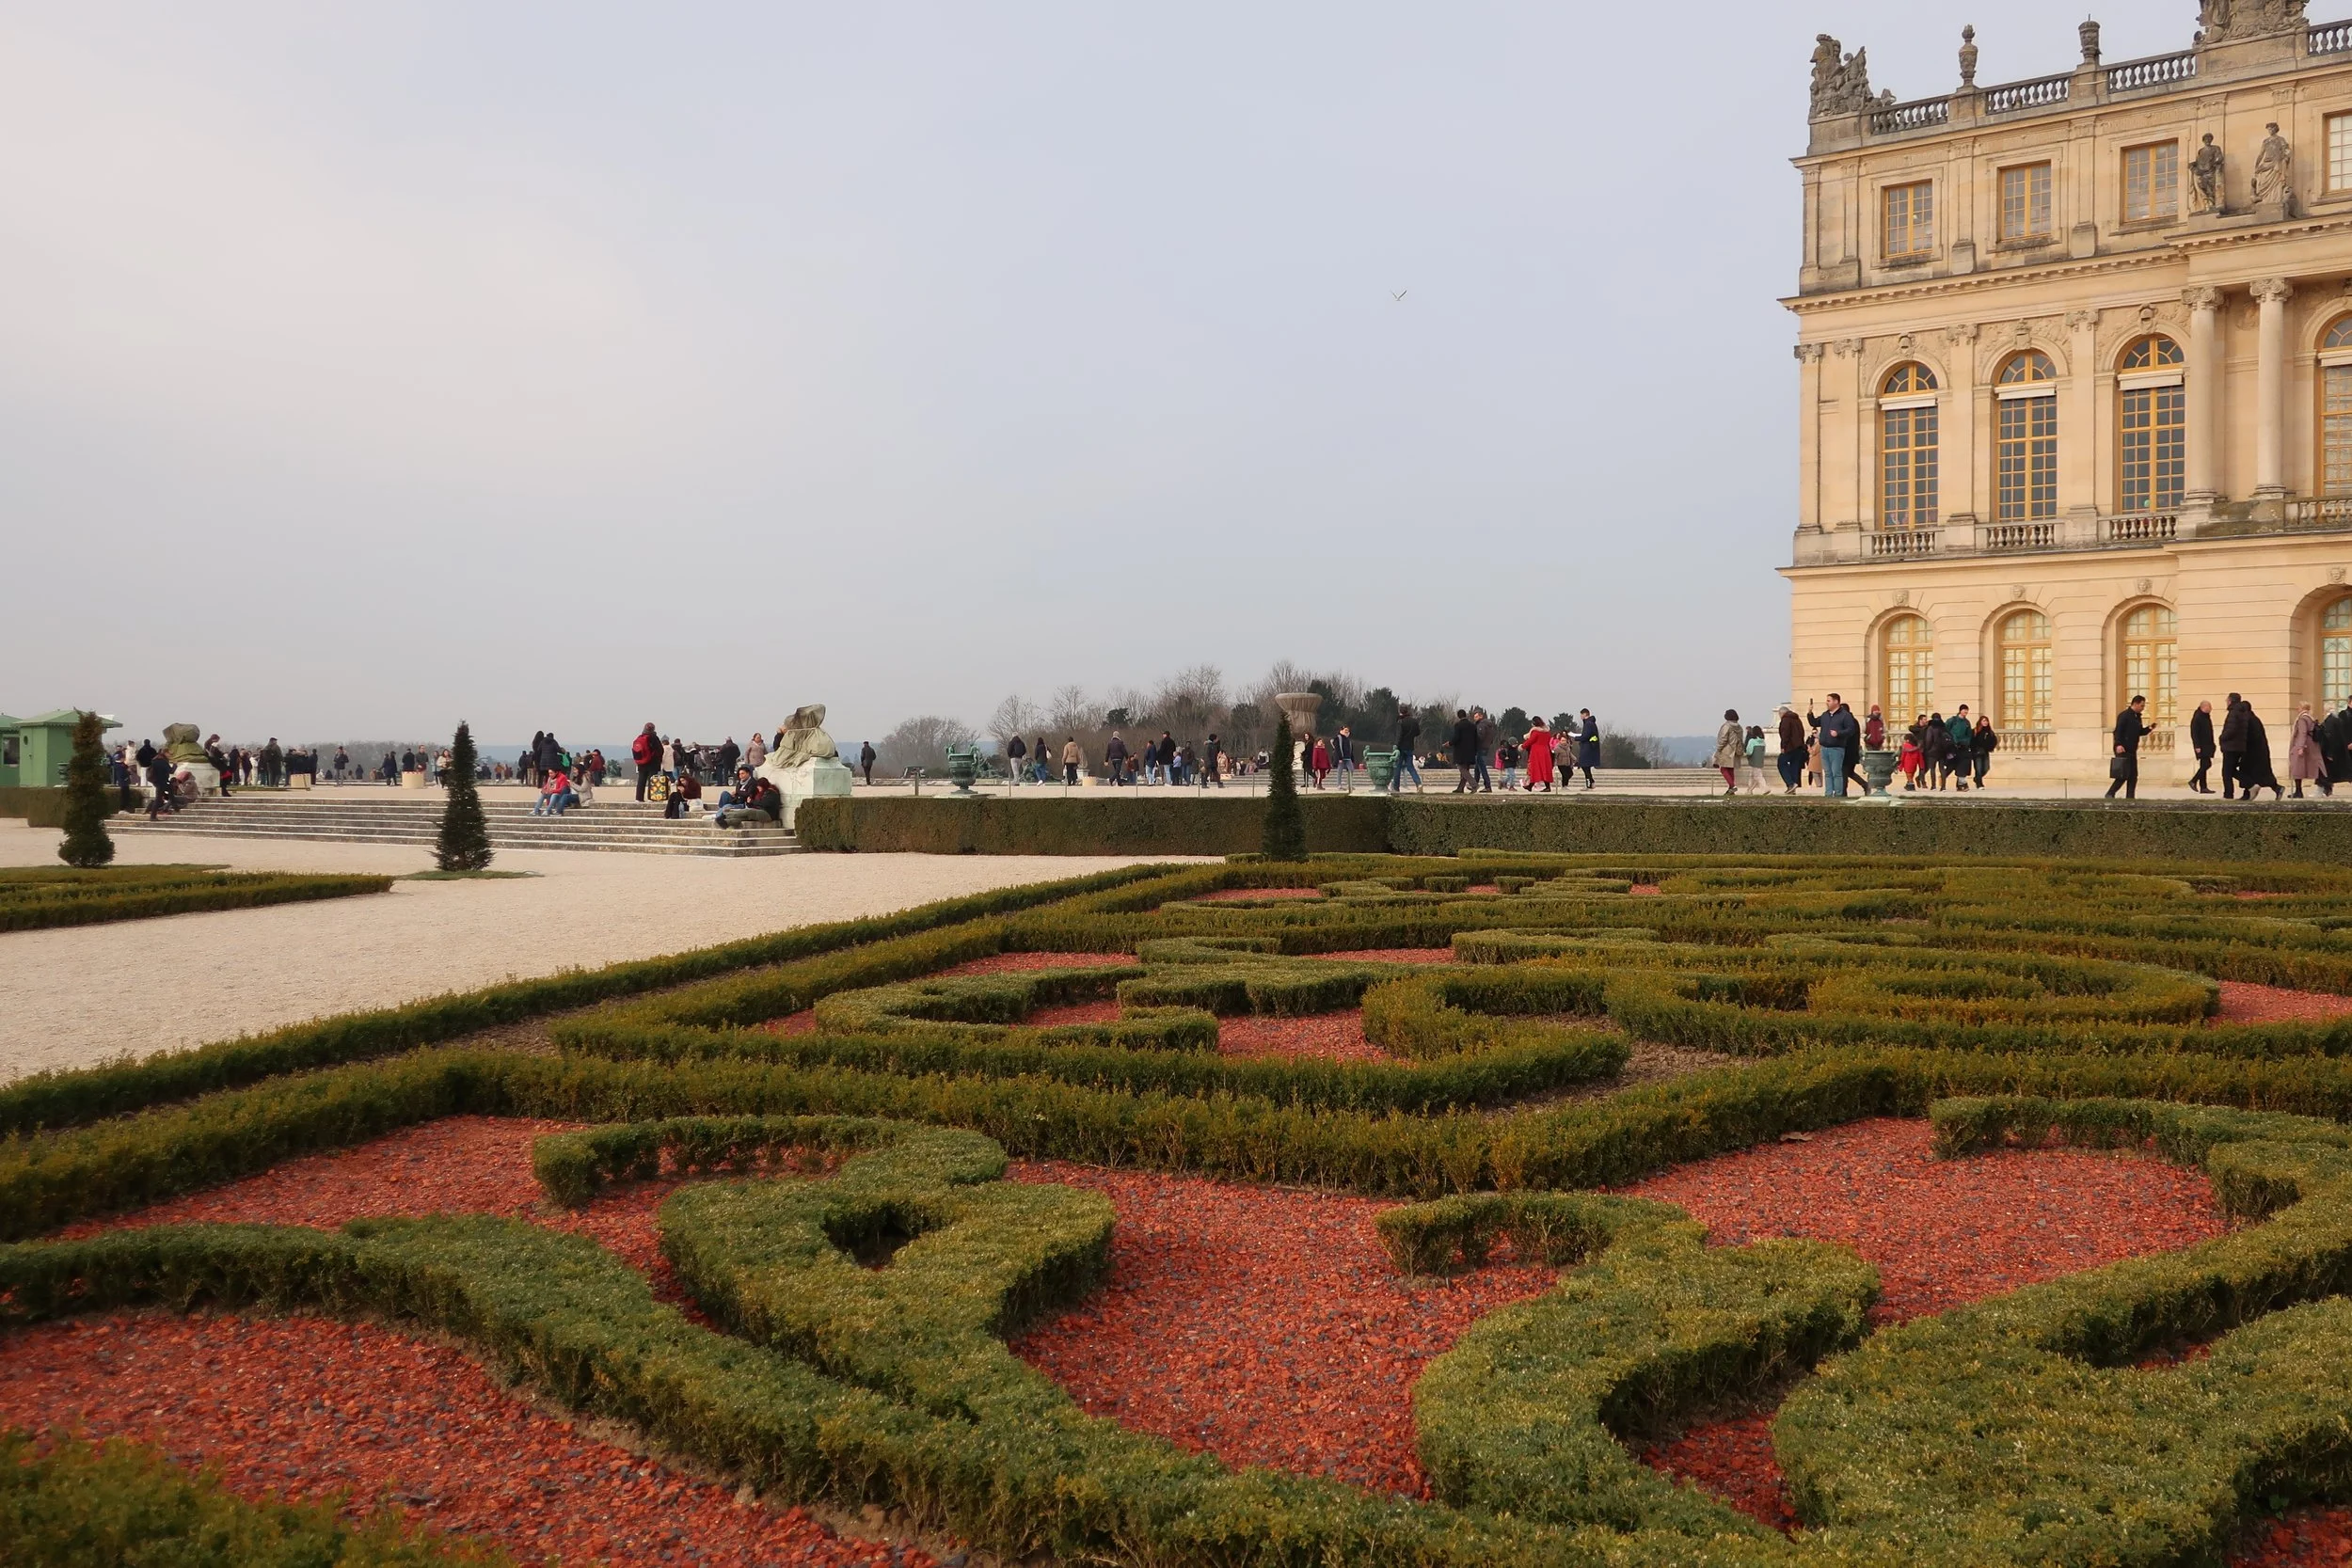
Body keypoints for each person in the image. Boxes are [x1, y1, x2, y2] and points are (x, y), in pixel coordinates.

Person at [1817, 693, 1859, 798]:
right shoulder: (1825, 715)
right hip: (1825, 748)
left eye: (1829, 700)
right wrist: (1809, 713)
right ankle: (1828, 793)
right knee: (1827, 773)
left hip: (1837, 748)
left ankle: (1839, 793)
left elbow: (1851, 730)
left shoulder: (1845, 715)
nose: (1827, 703)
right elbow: (1814, 722)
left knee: (1836, 772)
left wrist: (1838, 733)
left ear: (1836, 702)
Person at [2107, 695, 2149, 800]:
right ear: (2135, 704)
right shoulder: (2124, 716)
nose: (2143, 708)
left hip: (2132, 749)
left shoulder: (2137, 717)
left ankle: (2130, 797)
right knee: (2123, 773)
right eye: (2142, 705)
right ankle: (2110, 793)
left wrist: (2150, 728)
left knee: (2133, 775)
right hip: (2123, 748)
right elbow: (2118, 732)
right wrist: (2118, 744)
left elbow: (2140, 732)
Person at [2242, 700, 2284, 800]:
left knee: (2256, 773)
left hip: (2254, 752)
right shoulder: (2253, 718)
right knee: (2257, 773)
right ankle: (2247, 794)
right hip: (2258, 751)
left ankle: (2277, 788)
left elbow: (2252, 736)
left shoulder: (2250, 720)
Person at [714, 774, 782, 829]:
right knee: (744, 817)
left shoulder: (772, 793)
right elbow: (757, 804)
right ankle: (727, 822)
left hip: (768, 814)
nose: (758, 788)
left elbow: (764, 804)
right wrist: (749, 803)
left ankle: (725, 816)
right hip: (761, 811)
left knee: (748, 812)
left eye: (759, 786)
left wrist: (752, 801)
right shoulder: (761, 793)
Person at [2289, 702, 2326, 799]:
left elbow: (2303, 733)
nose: (2297, 708)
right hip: (2311, 745)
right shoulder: (2309, 717)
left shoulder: (2302, 718)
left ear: (2302, 708)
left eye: (2299, 706)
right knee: (2310, 766)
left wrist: (2300, 747)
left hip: (2303, 745)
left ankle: (2298, 791)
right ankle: (2299, 790)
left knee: (2297, 768)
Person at [2219, 694, 2250, 800]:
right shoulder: (2243, 712)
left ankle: (2229, 794)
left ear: (2230, 701)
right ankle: (2250, 783)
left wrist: (2222, 738)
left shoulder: (2234, 713)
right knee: (2231, 770)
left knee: (2226, 772)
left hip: (2231, 746)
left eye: (2227, 699)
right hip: (2239, 746)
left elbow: (2231, 729)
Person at [2321, 698, 2352, 798]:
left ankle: (2327, 788)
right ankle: (2327, 788)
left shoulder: (2335, 718)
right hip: (2346, 746)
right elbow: (2343, 732)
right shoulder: (2344, 714)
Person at [2188, 700, 2218, 794]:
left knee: (2204, 765)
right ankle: (2193, 780)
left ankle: (2203, 787)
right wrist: (2197, 746)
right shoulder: (2198, 717)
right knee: (2206, 764)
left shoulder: (2205, 717)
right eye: (2209, 707)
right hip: (2202, 745)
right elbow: (2194, 733)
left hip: (2207, 745)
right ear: (2204, 707)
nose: (2211, 709)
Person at [1711, 708, 1744, 796]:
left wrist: (1718, 749)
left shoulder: (1726, 726)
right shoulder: (1739, 727)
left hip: (1727, 750)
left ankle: (1732, 786)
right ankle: (1731, 789)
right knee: (1730, 769)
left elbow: (1723, 738)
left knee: (1723, 769)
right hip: (1736, 750)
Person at [1391, 705, 1423, 793]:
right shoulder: (1414, 721)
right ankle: (1418, 783)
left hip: (1401, 747)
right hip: (1410, 746)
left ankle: (1396, 787)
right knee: (1410, 767)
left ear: (1400, 712)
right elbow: (1418, 732)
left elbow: (1399, 735)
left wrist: (1396, 746)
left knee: (1397, 767)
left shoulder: (1400, 722)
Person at [1774, 706, 1804, 793]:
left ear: (1781, 713)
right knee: (1794, 766)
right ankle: (1793, 786)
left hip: (1789, 747)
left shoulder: (1786, 720)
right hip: (1799, 747)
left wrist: (1783, 747)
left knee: (1781, 763)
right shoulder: (1797, 719)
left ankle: (1790, 784)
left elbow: (1785, 734)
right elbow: (1802, 733)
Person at [1449, 710, 1480, 793]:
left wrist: (1449, 743)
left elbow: (1456, 738)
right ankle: (1460, 788)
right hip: (1471, 751)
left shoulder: (1458, 725)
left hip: (1461, 751)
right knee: (1466, 769)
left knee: (1462, 768)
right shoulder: (1473, 726)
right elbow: (1476, 739)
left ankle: (1474, 784)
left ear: (1459, 716)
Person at [1946, 707, 1977, 792]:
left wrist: (1966, 742)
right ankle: (1943, 780)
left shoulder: (1967, 722)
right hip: (1953, 746)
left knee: (1964, 765)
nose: (1966, 712)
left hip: (1963, 747)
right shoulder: (1952, 720)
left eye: (1967, 710)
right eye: (1964, 710)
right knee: (1951, 765)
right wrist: (1952, 740)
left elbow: (1969, 735)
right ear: (1960, 710)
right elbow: (1946, 731)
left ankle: (1961, 783)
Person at [1524, 715, 1554, 793]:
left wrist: (1523, 746)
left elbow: (1530, 741)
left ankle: (1530, 786)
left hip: (1536, 752)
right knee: (1544, 769)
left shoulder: (1535, 732)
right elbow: (1548, 740)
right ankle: (1546, 787)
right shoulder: (1547, 732)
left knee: (1535, 768)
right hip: (1545, 751)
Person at [631, 723, 661, 802]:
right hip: (653, 762)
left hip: (642, 763)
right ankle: (651, 797)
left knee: (641, 780)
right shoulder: (654, 737)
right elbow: (660, 750)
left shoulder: (640, 737)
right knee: (652, 780)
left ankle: (639, 798)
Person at [1471, 708, 1496, 792]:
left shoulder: (1481, 725)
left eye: (1476, 716)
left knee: (1481, 768)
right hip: (1486, 747)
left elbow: (1480, 737)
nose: (1475, 718)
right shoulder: (1489, 726)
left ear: (1481, 716)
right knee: (1477, 768)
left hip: (1480, 748)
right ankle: (1474, 784)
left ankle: (1487, 786)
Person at [1971, 714, 1998, 787]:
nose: (1985, 722)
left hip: (1985, 752)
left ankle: (1977, 778)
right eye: (1984, 721)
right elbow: (1972, 741)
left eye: (1986, 721)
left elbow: (1994, 741)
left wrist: (1990, 747)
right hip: (1977, 752)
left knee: (1986, 768)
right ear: (1980, 722)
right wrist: (1974, 749)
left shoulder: (1990, 732)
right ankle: (1979, 784)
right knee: (1978, 768)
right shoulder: (1975, 731)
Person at [1575, 709, 1600, 788]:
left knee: (1585, 766)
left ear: (1585, 714)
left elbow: (1586, 736)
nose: (1580, 717)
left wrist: (1576, 738)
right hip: (1589, 747)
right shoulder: (1591, 723)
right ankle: (1591, 782)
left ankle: (1589, 784)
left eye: (1581, 715)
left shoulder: (1588, 724)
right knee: (1586, 766)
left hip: (1587, 748)